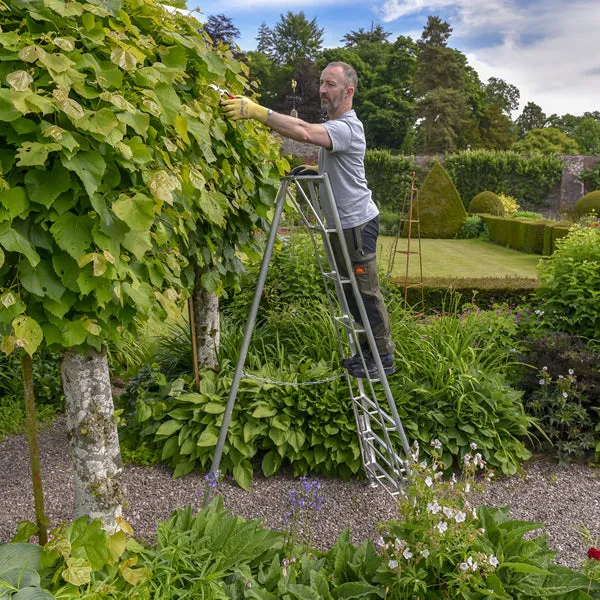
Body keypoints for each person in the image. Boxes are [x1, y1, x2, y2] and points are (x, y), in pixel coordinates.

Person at [221, 61, 394, 378]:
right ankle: (368, 352)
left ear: (348, 91)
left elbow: (303, 131)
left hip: (356, 224)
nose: (323, 90)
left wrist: (258, 112)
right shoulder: (336, 128)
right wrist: (310, 173)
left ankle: (383, 357)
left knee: (366, 293)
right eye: (323, 83)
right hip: (340, 225)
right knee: (352, 294)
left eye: (331, 84)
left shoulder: (347, 128)